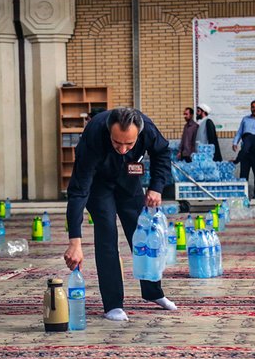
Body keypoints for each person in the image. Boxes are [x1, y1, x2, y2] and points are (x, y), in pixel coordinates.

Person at [64, 107, 177, 322]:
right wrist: (74, 242)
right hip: (99, 185)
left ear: (139, 135)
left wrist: (156, 187)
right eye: (117, 143)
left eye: (130, 144)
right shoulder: (94, 137)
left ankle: (154, 292)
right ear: (109, 133)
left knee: (143, 233)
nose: (123, 149)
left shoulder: (148, 129)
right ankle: (113, 304)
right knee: (107, 235)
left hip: (129, 180)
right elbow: (78, 191)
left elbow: (162, 153)